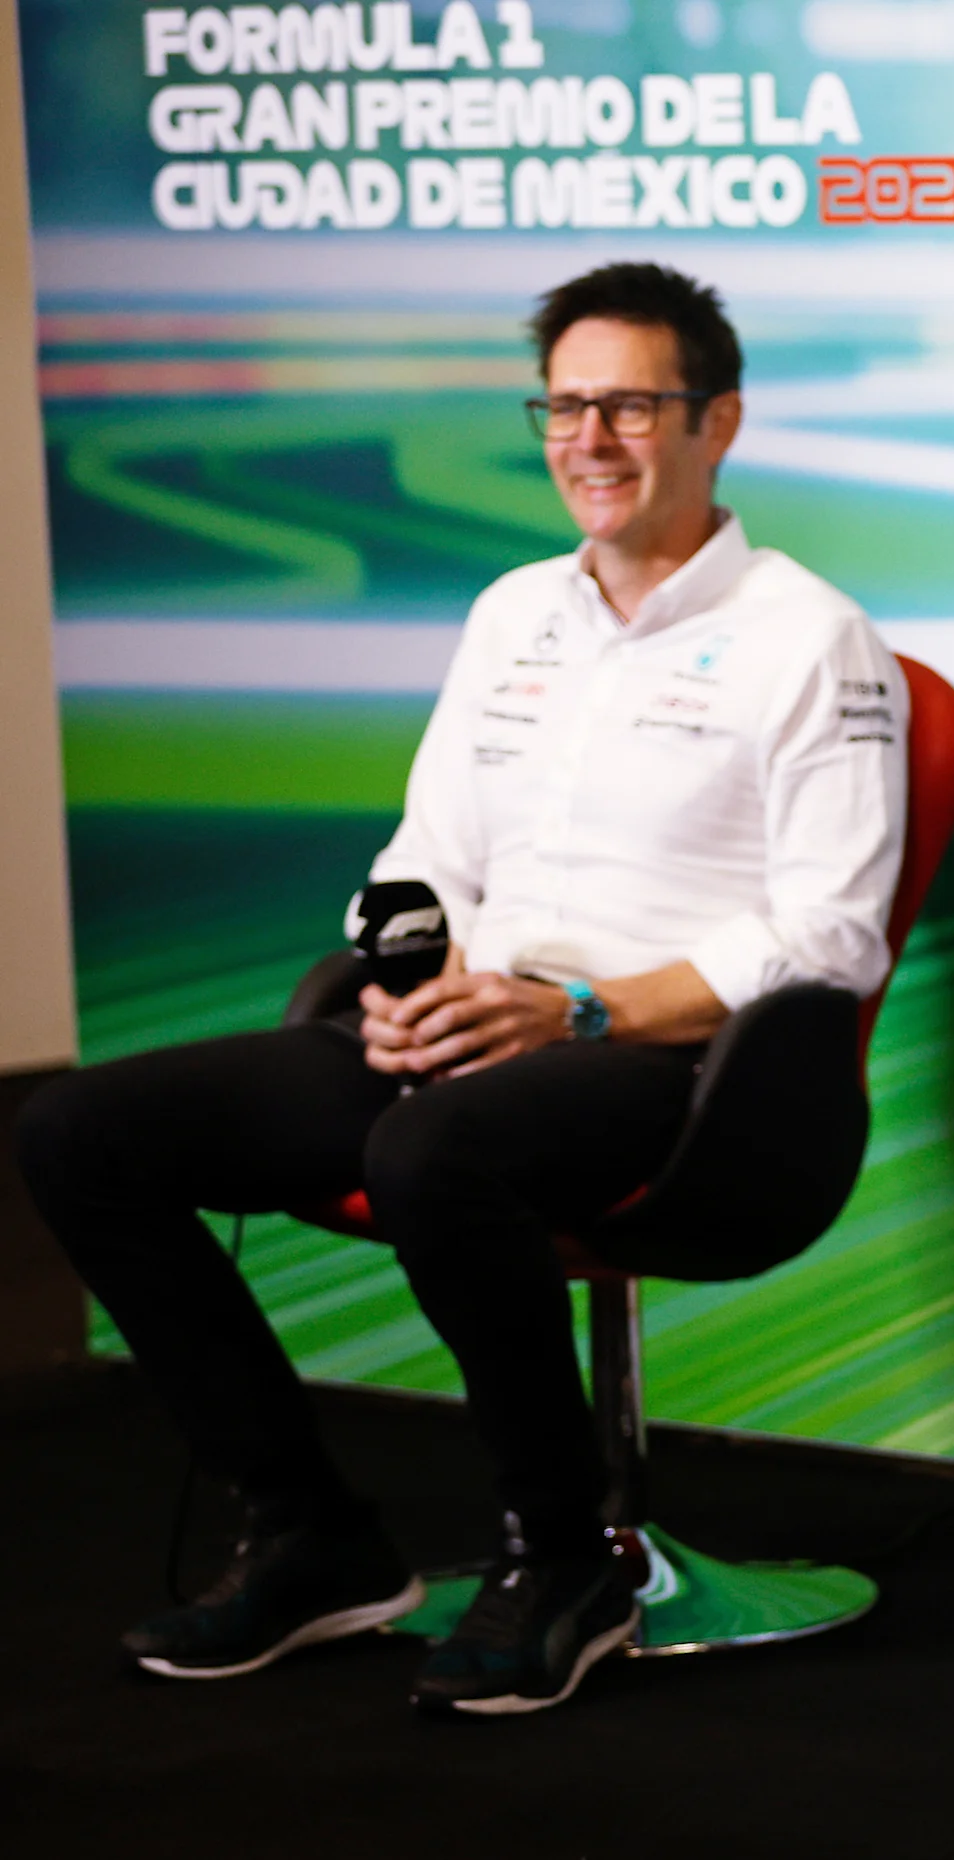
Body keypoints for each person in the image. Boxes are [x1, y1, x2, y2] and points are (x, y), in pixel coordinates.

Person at [19, 263, 906, 1716]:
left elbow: (830, 940)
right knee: (80, 1136)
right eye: (564, 406)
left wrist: (581, 1013)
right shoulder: (513, 614)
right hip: (482, 1025)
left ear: (718, 421)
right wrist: (406, 979)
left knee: (430, 1152)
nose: (590, 438)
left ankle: (563, 1557)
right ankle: (312, 1536)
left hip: (681, 1066)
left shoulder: (812, 639)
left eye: (630, 404)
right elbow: (423, 851)